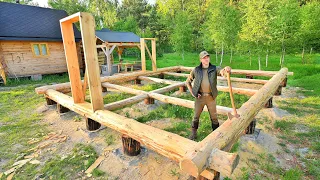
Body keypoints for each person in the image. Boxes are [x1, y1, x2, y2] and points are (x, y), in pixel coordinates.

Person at [186, 51, 231, 140]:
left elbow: (222, 72)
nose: (206, 59)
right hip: (200, 98)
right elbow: (188, 82)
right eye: (204, 58)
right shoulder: (196, 70)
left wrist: (227, 70)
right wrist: (193, 93)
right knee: (196, 116)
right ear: (201, 60)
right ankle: (193, 133)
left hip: (211, 97)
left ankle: (216, 136)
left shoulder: (214, 68)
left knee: (214, 117)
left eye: (207, 57)